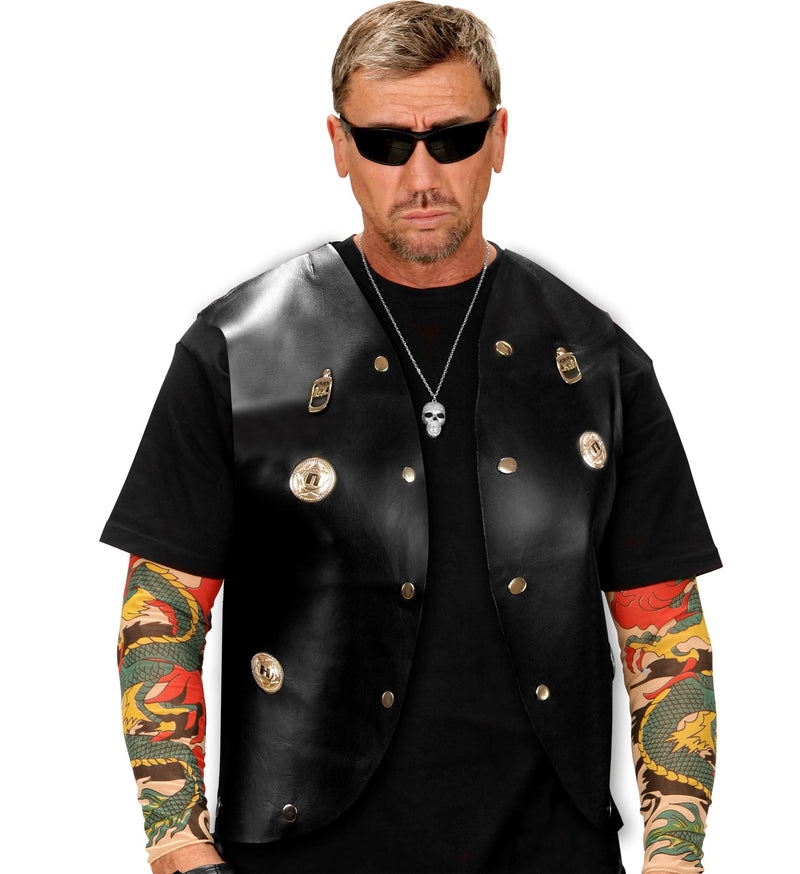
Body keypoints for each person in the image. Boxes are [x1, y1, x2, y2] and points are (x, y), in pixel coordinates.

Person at [104, 4, 721, 873]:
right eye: (388, 143)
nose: (422, 176)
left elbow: (665, 632)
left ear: (499, 139)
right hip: (302, 854)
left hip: (552, 852)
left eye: (454, 139)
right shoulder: (237, 351)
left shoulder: (595, 360)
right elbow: (163, 613)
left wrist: (675, 854)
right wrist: (177, 842)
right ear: (340, 145)